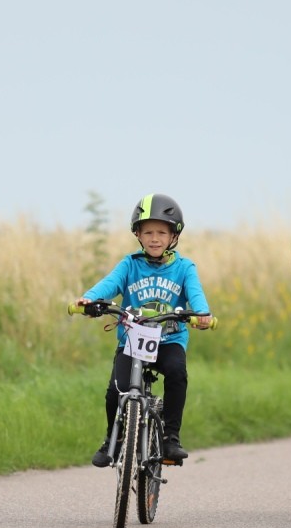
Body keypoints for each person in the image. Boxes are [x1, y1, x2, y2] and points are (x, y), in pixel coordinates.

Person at [75, 193, 212, 467]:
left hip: (169, 340)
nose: (154, 238)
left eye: (162, 232)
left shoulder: (184, 268)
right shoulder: (130, 264)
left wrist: (202, 315)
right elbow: (109, 284)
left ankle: (171, 438)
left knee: (176, 372)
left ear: (174, 236)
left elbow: (196, 297)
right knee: (117, 388)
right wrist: (88, 300)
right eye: (148, 232)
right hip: (133, 340)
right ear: (137, 234)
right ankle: (112, 439)